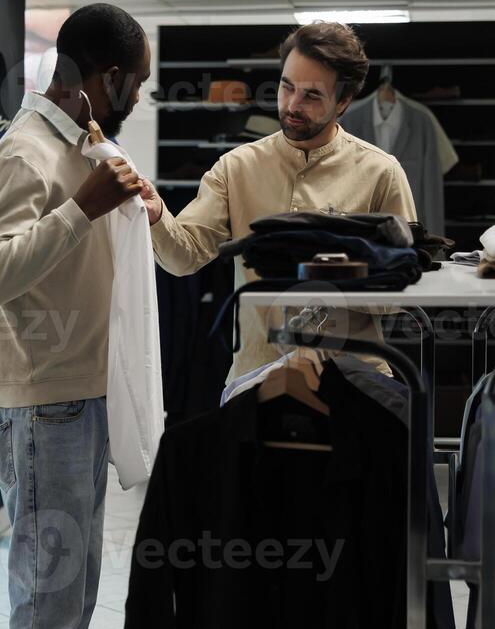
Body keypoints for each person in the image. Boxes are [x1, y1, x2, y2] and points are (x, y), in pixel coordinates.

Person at [0, 3, 151, 629]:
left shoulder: (82, 147)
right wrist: (80, 208)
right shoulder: (23, 152)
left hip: (82, 395)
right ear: (100, 78)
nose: (137, 99)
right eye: (134, 84)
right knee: (46, 593)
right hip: (41, 407)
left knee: (74, 588)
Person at [140, 21, 418, 379]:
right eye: (286, 88)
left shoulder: (382, 173)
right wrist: (157, 214)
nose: (292, 105)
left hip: (354, 381)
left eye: (312, 96)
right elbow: (184, 258)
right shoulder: (236, 167)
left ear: (344, 101)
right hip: (258, 377)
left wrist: (336, 281)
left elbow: (401, 294)